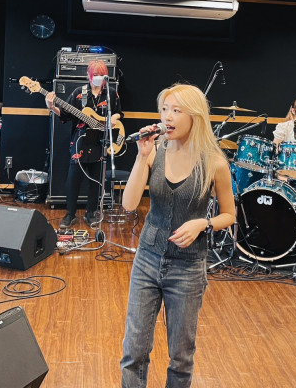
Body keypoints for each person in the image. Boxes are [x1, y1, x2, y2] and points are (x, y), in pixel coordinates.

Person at [120, 83, 235, 388]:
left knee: (181, 358)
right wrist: (140, 157)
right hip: (147, 260)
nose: (167, 117)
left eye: (176, 110)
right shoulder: (154, 152)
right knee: (133, 351)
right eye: (164, 109)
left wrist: (202, 224)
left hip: (188, 268)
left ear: (194, 116)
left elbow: (229, 214)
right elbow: (129, 204)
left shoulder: (214, 162)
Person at [45, 59, 122, 228]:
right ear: (89, 75)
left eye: (102, 75)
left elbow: (118, 113)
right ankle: (70, 214)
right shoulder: (79, 93)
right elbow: (65, 115)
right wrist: (51, 106)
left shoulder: (111, 93)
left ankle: (91, 213)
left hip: (100, 142)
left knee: (96, 181)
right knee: (73, 180)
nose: (99, 78)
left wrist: (113, 118)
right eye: (96, 75)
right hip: (80, 141)